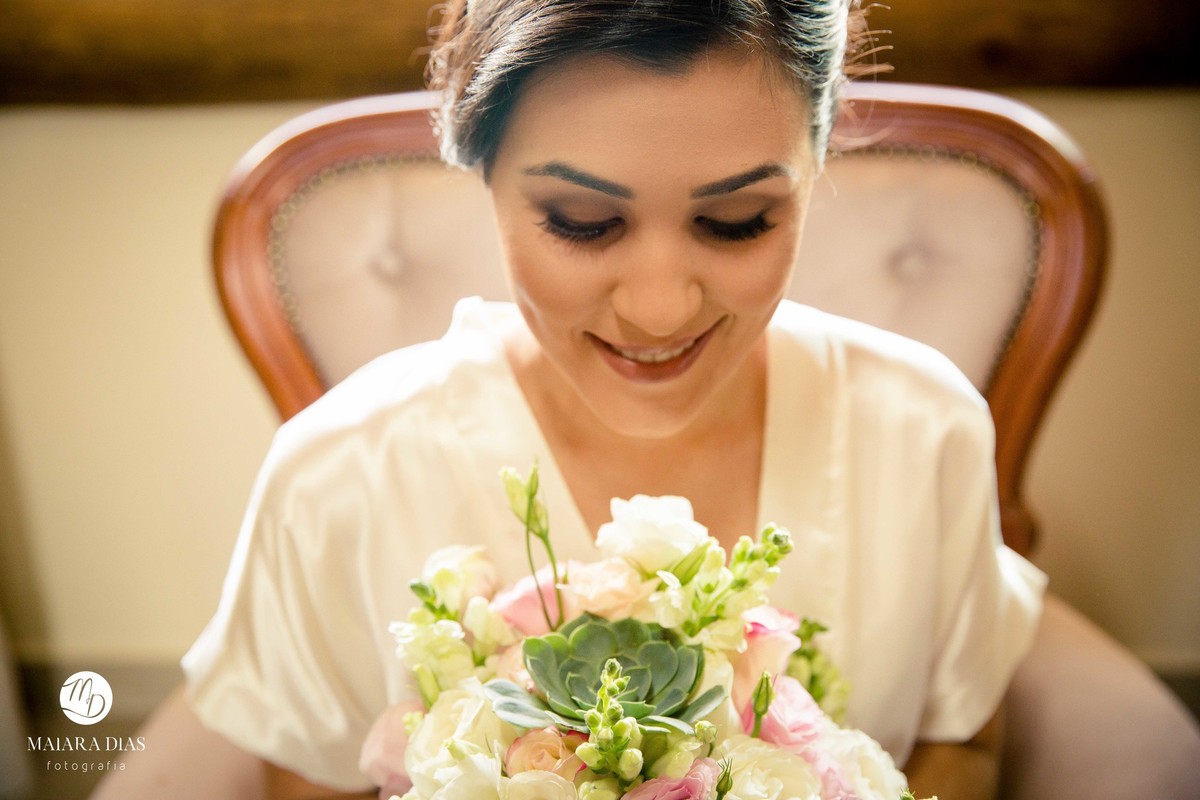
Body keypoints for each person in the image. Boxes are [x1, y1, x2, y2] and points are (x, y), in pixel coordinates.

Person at [94, 1, 1044, 798]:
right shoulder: (339, 478)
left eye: (738, 221)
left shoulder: (924, 432)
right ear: (485, 173)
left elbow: (962, 744)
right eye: (584, 224)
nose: (660, 306)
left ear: (819, 157)